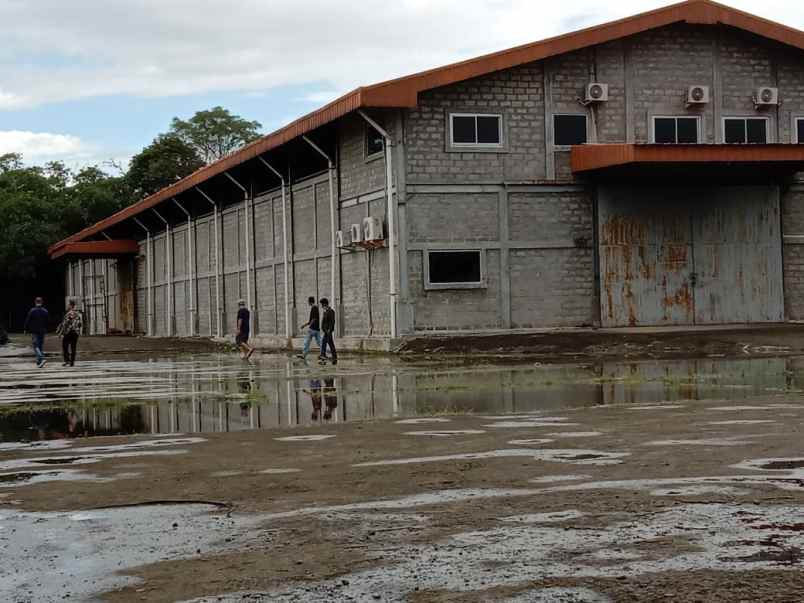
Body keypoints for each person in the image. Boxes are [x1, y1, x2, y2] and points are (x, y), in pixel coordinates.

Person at [56, 299, 83, 367]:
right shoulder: (78, 314)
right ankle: (72, 362)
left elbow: (65, 324)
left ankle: (67, 360)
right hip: (75, 332)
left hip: (68, 332)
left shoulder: (69, 314)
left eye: (69, 305)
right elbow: (80, 324)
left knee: (65, 346)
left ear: (71, 305)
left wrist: (60, 333)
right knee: (73, 347)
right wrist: (78, 331)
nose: (68, 306)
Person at [23, 297, 49, 368]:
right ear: (42, 302)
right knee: (40, 346)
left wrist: (25, 329)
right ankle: (39, 362)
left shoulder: (32, 311)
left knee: (35, 346)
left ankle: (41, 357)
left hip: (34, 331)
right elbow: (47, 322)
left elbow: (27, 320)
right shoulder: (45, 311)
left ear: (35, 302)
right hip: (42, 331)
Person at [318, 297, 337, 366]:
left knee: (326, 342)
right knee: (329, 343)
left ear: (325, 304)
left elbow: (332, 322)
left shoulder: (331, 311)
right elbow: (324, 322)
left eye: (322, 304)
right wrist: (323, 328)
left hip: (328, 331)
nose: (321, 306)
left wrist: (329, 330)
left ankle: (324, 355)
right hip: (325, 331)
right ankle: (332, 356)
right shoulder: (325, 311)